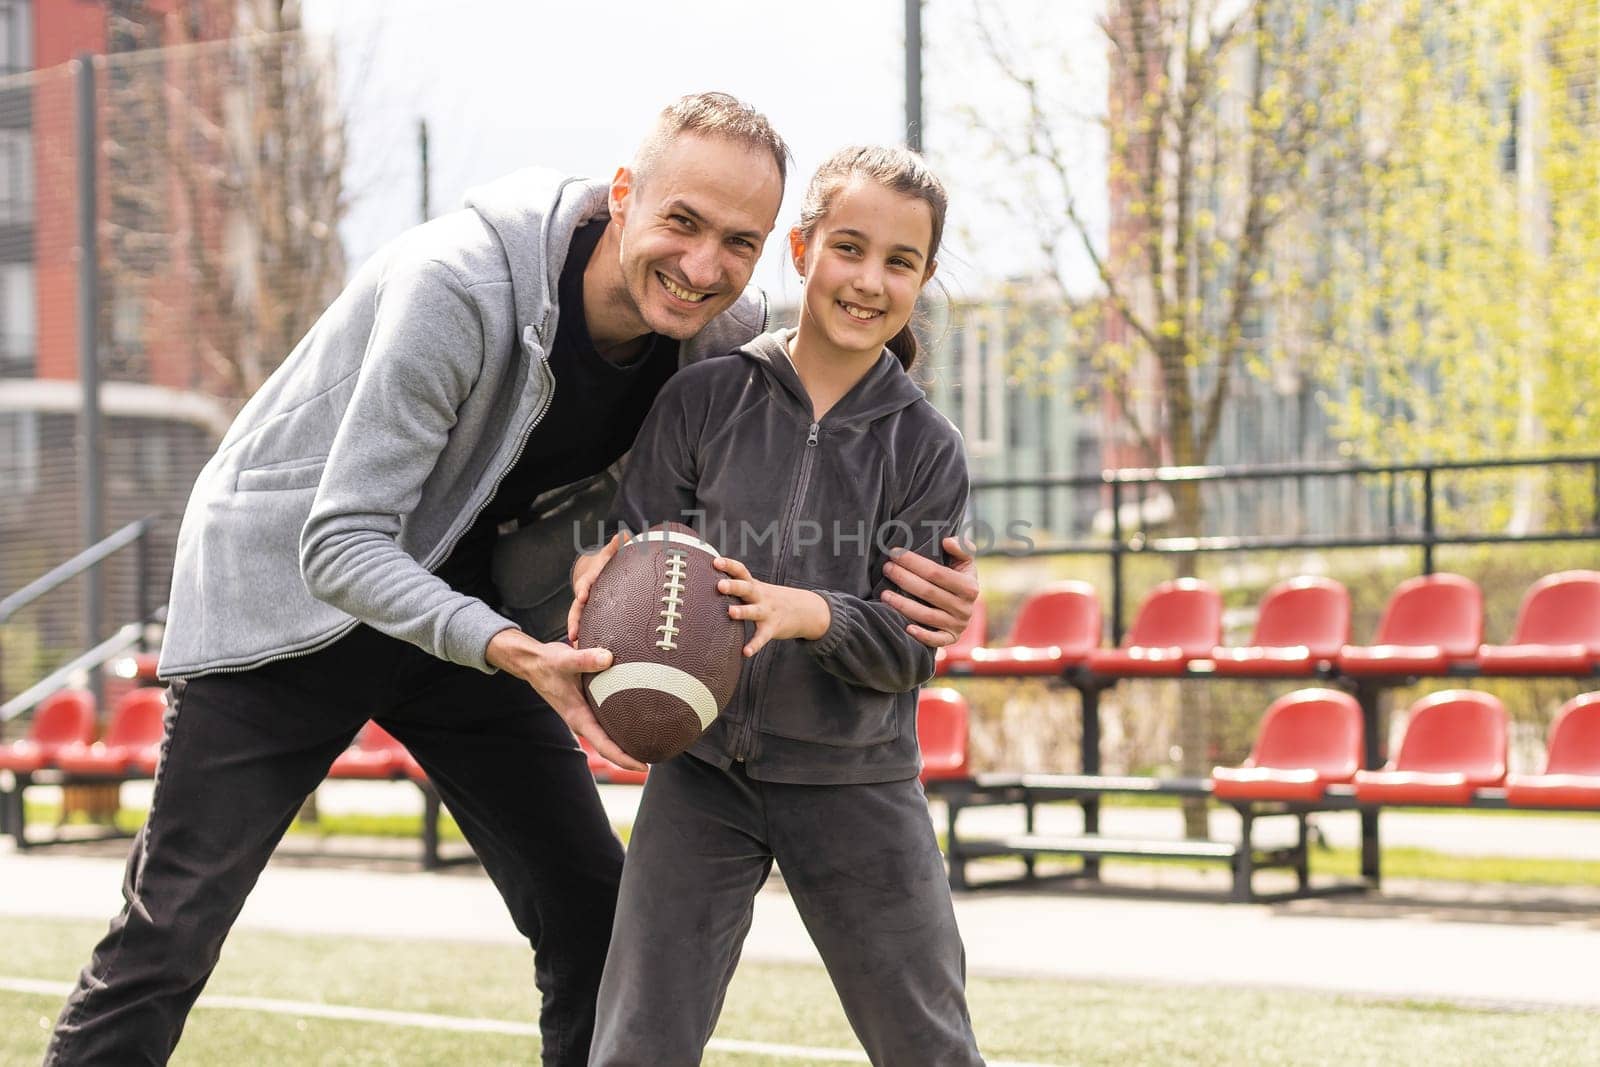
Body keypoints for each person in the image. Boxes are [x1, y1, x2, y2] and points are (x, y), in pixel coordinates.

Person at [45, 94, 978, 1067]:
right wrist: (504, 645)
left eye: (736, 240)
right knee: (171, 929)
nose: (703, 265)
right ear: (623, 196)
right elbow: (342, 543)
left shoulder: (708, 328)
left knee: (592, 918)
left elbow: (831, 398)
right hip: (293, 604)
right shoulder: (453, 287)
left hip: (473, 624)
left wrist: (930, 581)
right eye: (682, 222)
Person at [580, 145, 985, 1066]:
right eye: (849, 247)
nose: (869, 279)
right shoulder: (701, 401)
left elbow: (911, 647)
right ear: (801, 250)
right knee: (635, 1043)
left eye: (900, 262)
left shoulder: (926, 448)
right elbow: (634, 565)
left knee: (928, 1045)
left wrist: (815, 612)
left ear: (922, 280)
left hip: (859, 781)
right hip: (702, 774)